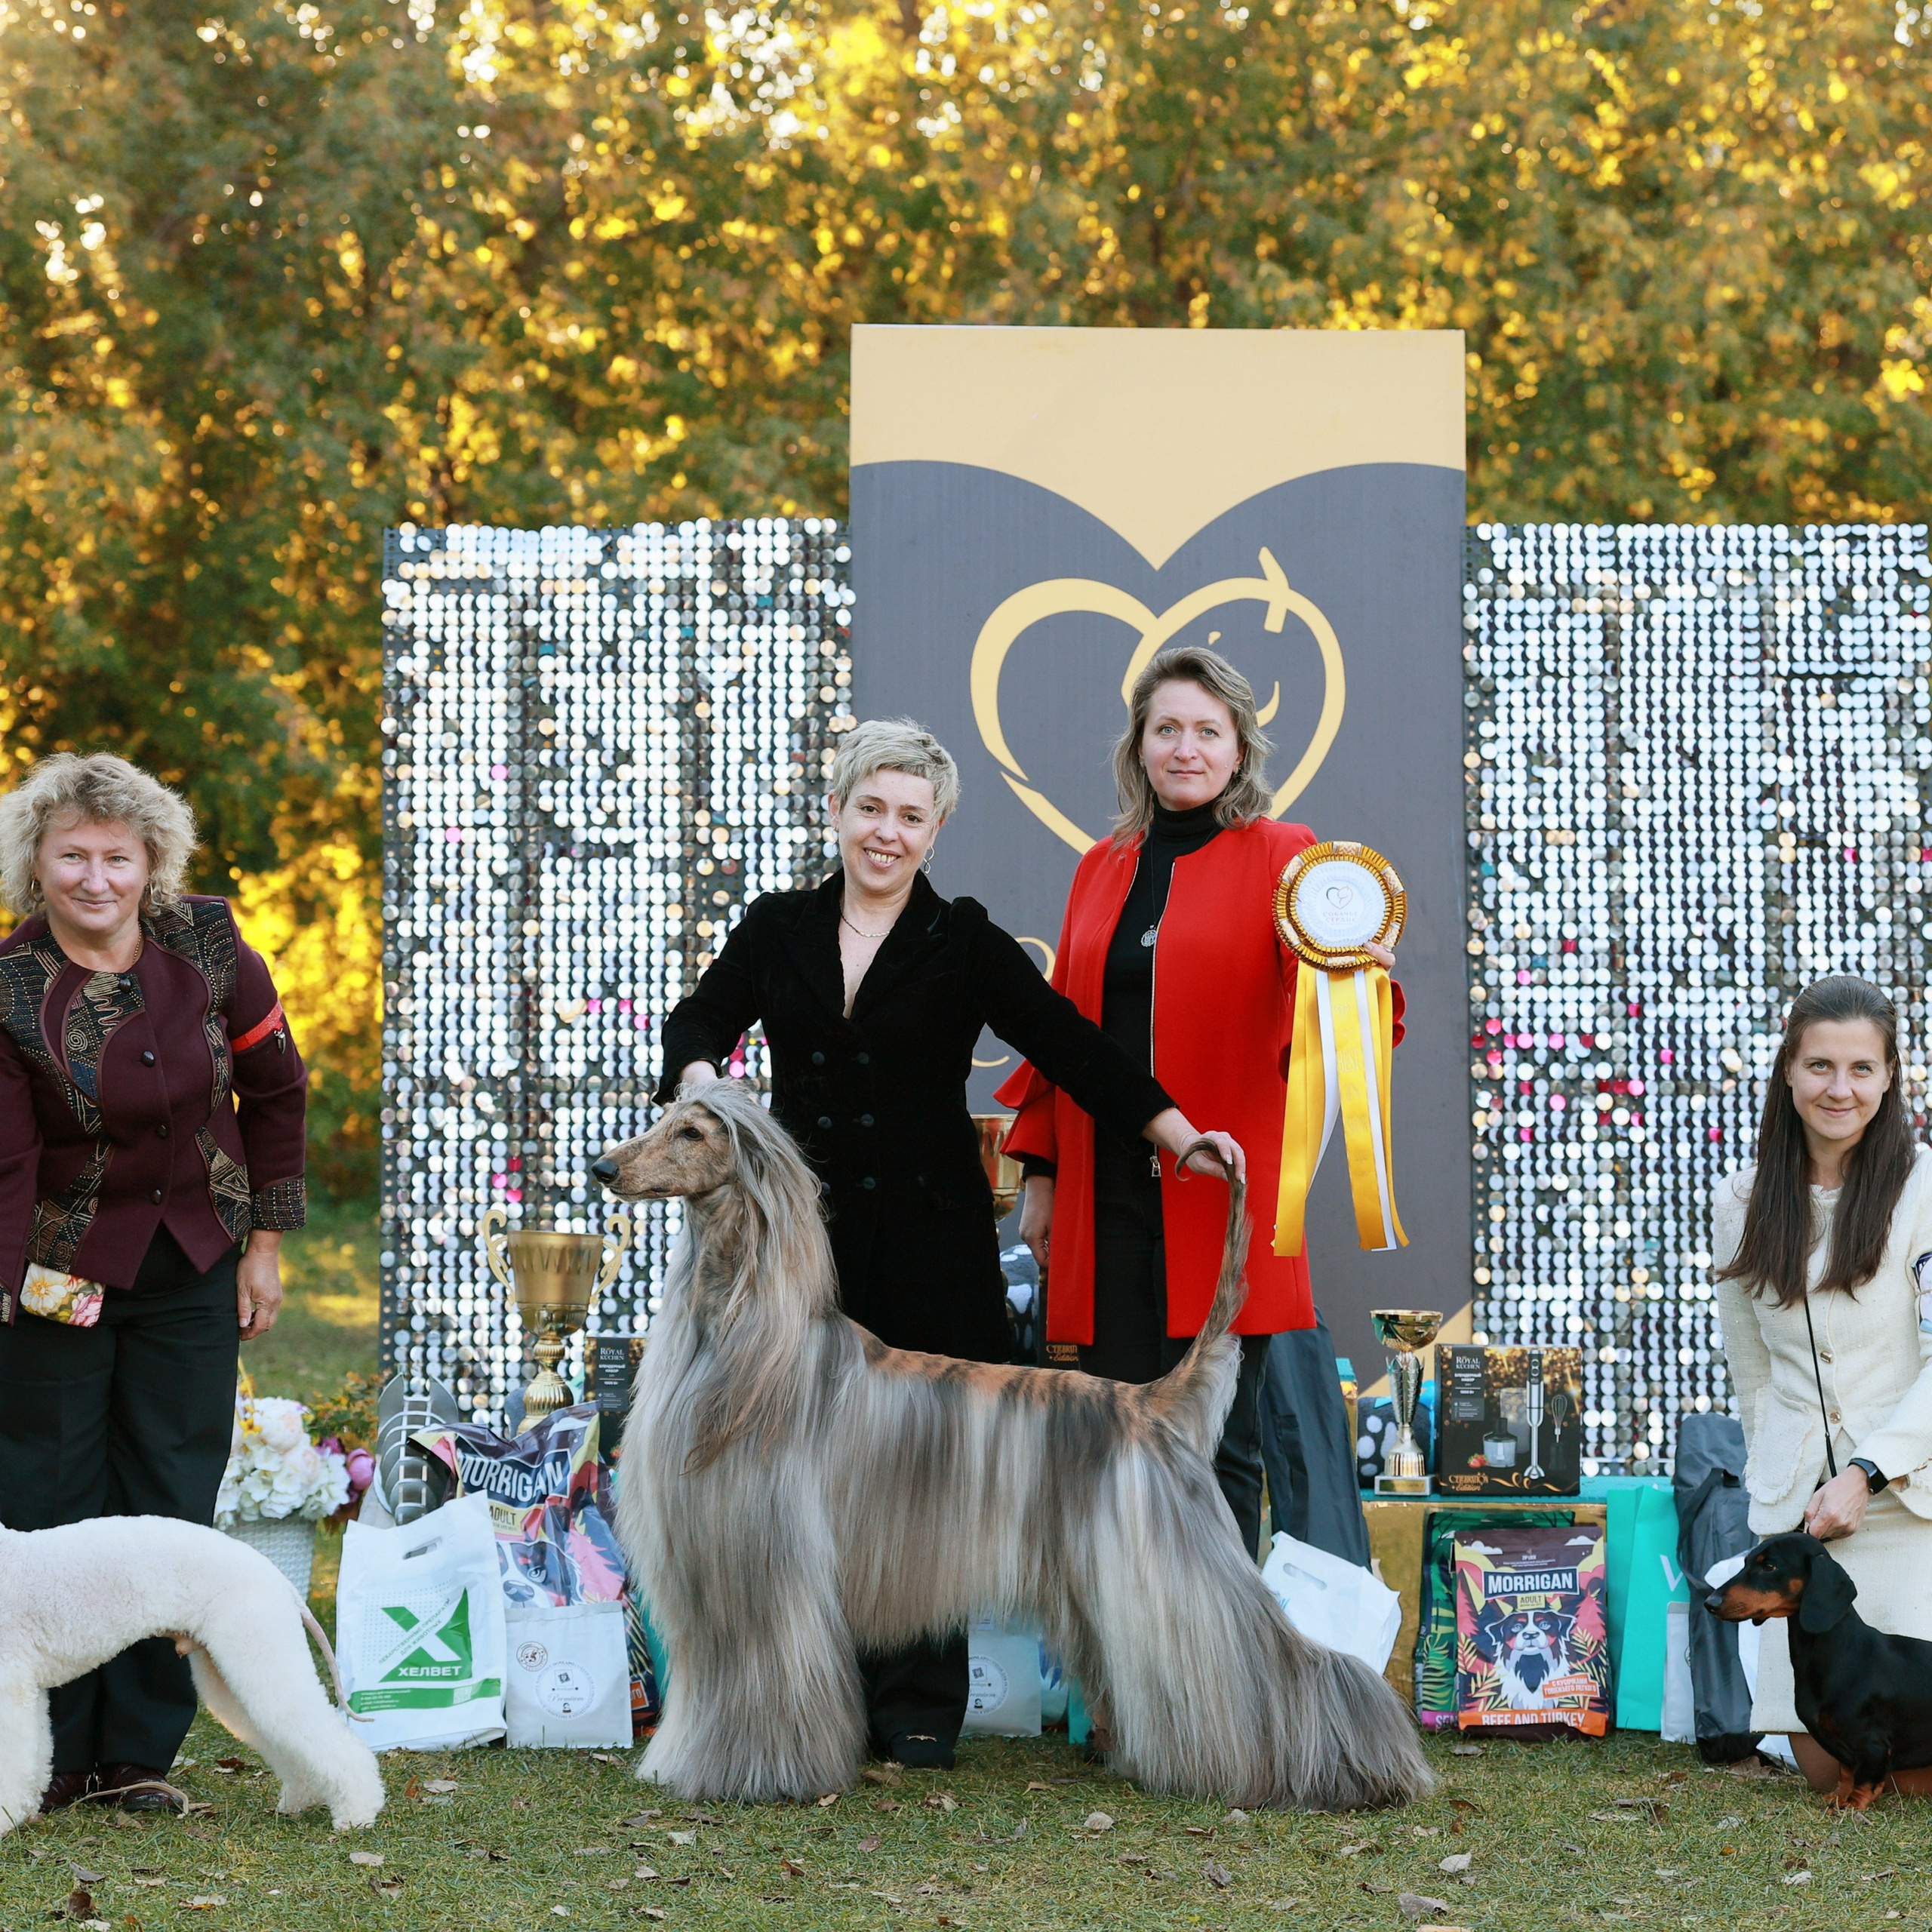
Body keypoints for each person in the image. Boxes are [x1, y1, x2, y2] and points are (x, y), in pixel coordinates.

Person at [653, 717, 1242, 1767]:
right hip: (806, 1262)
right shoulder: (778, 927)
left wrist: (1177, 1133)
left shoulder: (962, 940)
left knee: (933, 1484)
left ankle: (922, 1704)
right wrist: (700, 1081)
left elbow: (1072, 1048)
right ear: (837, 811)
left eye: (911, 817)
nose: (888, 832)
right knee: (804, 1487)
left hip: (935, 1253)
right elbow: (698, 1016)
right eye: (870, 808)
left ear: (936, 831)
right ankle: (803, 1700)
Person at [1001, 645, 1402, 1561]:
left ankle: (1216, 1686)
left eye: (1206, 731)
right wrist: (1041, 1176)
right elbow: (1061, 1039)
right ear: (1138, 745)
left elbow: (1336, 1014)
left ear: (1238, 749)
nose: (1186, 748)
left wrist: (1364, 985)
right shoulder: (1098, 867)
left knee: (1224, 1454)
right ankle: (1129, 1693)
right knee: (1113, 1452)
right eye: (1166, 728)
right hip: (1107, 1201)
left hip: (1222, 1200)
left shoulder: (1286, 855)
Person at [0, 755, 306, 1816]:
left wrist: (264, 1245)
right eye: (71, 855)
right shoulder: (7, 984)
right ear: (36, 864)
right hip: (58, 1272)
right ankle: (52, 1760)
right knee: (50, 1501)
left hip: (196, 1258)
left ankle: (134, 1761)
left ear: (151, 863)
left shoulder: (213, 945)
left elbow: (277, 1091)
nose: (95, 878)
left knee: (170, 1500)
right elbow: (3, 1159)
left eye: (116, 857)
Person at [1713, 974, 1932, 1793]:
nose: (1839, 1089)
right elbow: (1752, 1371)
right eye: (1819, 1066)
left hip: (1909, 1501)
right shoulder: (1736, 1201)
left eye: (1861, 1069)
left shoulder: (1924, 1186)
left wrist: (1867, 1469)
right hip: (1803, 1518)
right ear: (1787, 1071)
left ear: (1888, 1077)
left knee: (1905, 1767)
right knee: (1820, 1763)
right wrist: (1781, 1484)